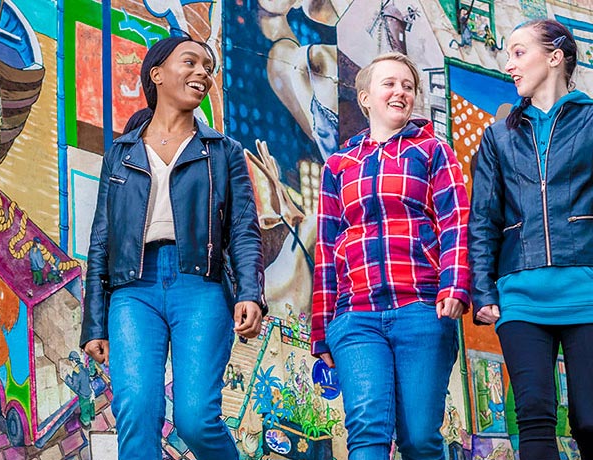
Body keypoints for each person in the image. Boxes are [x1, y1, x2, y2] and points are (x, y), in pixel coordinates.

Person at [468, 19, 593, 460]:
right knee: (532, 419)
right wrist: (483, 289)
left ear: (554, 57)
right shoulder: (497, 137)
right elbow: (483, 219)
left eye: (517, 52)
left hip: (591, 291)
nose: (508, 65)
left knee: (588, 421)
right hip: (521, 295)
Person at [80, 35, 266, 460]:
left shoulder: (223, 152)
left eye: (208, 67)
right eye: (191, 62)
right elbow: (101, 238)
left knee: (196, 419)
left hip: (199, 285)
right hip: (133, 290)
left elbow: (243, 228)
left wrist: (252, 292)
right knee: (137, 412)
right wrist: (95, 322)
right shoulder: (121, 153)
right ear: (157, 74)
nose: (202, 72)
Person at [310, 52, 470, 460]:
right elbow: (327, 249)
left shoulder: (434, 152)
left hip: (420, 309)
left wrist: (454, 283)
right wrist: (320, 330)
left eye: (408, 86)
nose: (400, 91)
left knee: (419, 437)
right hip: (355, 315)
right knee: (367, 431)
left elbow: (456, 221)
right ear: (365, 97)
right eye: (389, 83)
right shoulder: (338, 166)